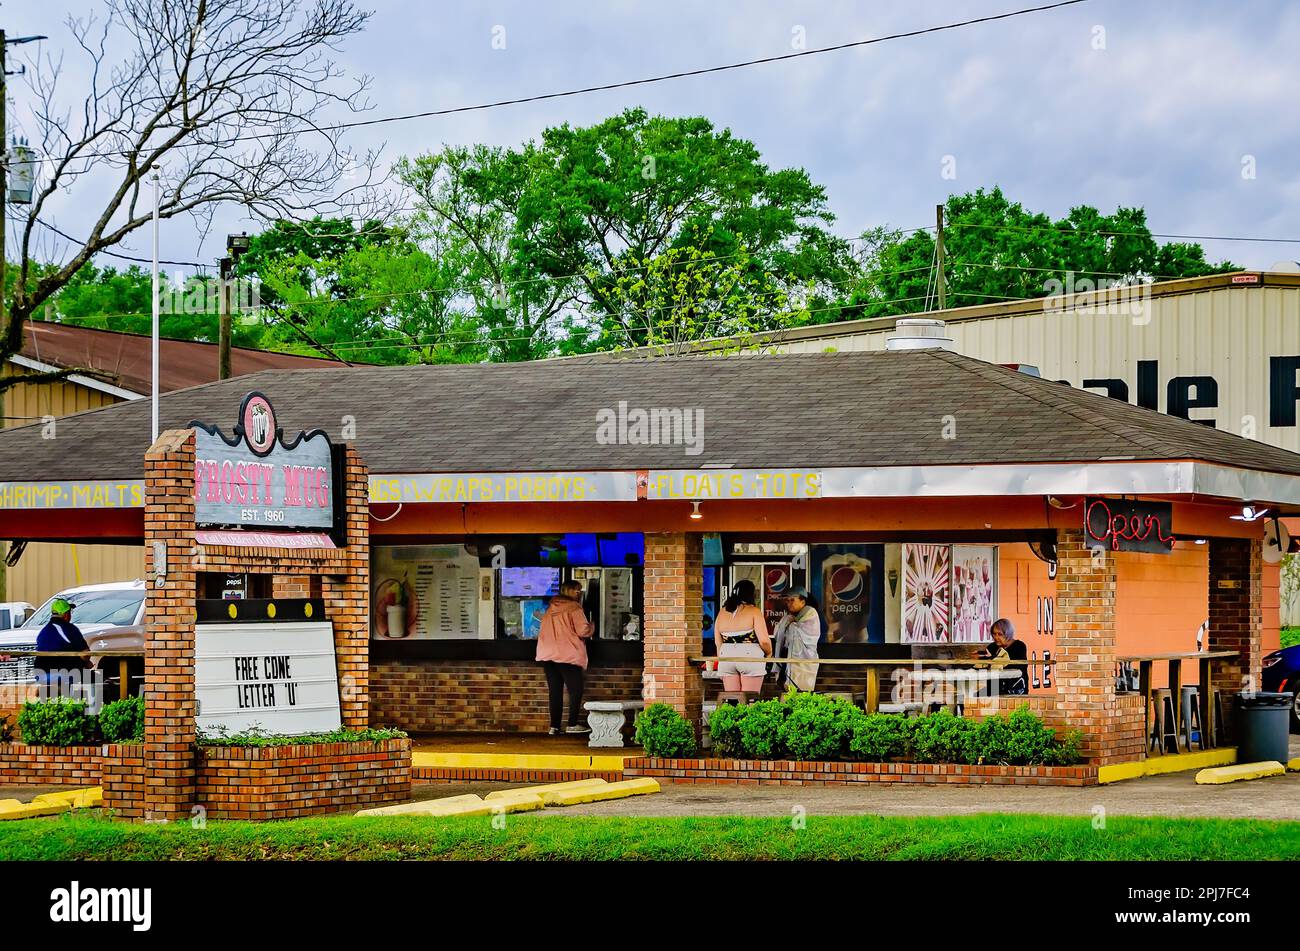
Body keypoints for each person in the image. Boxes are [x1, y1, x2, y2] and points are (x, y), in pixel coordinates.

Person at [535, 580, 595, 735]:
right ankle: (572, 724)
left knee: (555, 691)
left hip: (548, 655)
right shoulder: (574, 607)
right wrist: (592, 627)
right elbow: (583, 631)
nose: (579, 593)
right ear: (570, 591)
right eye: (577, 590)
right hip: (567, 654)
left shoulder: (550, 608)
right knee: (576, 689)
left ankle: (554, 726)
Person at [714, 580, 771, 693]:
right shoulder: (754, 611)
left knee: (732, 700)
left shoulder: (722, 612)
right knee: (749, 699)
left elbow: (718, 641)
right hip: (750, 657)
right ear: (751, 594)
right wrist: (769, 653)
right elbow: (764, 640)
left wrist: (721, 657)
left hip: (726, 656)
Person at [34, 597, 91, 698]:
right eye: (70, 612)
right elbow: (85, 654)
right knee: (94, 679)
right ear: (66, 614)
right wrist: (86, 663)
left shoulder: (43, 632)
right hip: (65, 674)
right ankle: (89, 710)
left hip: (41, 674)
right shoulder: (70, 629)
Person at [772, 587, 821, 692]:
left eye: (792, 600)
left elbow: (806, 634)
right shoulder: (788, 616)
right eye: (787, 601)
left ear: (802, 601)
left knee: (801, 694)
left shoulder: (810, 612)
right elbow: (778, 633)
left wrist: (791, 624)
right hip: (786, 660)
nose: (789, 603)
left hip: (803, 662)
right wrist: (787, 622)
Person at [979, 617, 1028, 695]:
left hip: (1015, 687)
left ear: (1008, 634)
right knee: (968, 699)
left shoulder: (1019, 646)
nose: (996, 637)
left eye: (1000, 634)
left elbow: (1019, 665)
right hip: (994, 688)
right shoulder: (992, 647)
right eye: (994, 634)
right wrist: (980, 657)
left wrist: (993, 660)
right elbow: (983, 665)